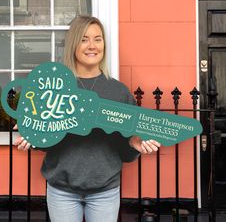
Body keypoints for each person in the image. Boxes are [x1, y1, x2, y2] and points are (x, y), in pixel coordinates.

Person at [14, 15, 161, 222]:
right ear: (73, 44)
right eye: (84, 39)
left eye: (98, 39)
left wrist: (133, 142)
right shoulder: (55, 88)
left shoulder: (118, 92)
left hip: (105, 192)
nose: (92, 46)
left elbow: (126, 151)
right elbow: (48, 140)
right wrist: (33, 135)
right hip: (61, 191)